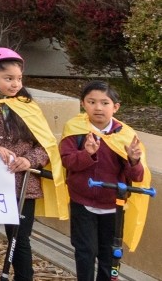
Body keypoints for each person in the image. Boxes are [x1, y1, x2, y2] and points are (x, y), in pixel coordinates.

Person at [0, 48, 69, 281]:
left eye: (18, 78)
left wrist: (29, 160)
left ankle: (24, 277)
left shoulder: (27, 106)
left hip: (22, 185)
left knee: (19, 237)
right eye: (8, 78)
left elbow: (44, 144)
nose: (15, 84)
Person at [60, 81, 149, 281]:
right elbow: (67, 162)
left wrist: (134, 160)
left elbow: (137, 176)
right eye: (92, 102)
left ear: (115, 107)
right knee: (85, 251)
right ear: (83, 104)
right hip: (82, 203)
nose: (98, 108)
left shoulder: (126, 135)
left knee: (110, 254)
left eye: (104, 103)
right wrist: (87, 154)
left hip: (114, 205)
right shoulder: (75, 129)